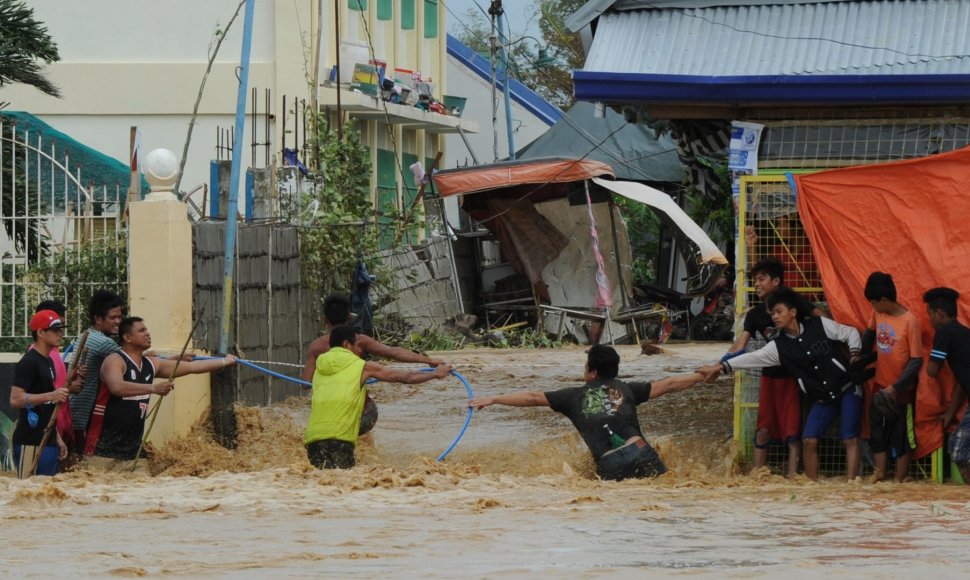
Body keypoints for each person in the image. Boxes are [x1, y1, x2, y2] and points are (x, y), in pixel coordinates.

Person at [469, 345, 707, 481]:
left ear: (592, 372)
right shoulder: (626, 388)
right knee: (664, 491)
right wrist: (705, 374)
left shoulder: (572, 396)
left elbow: (532, 397)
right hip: (639, 450)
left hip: (610, 462)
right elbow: (669, 385)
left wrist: (494, 398)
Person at [699, 287, 864, 481]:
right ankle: (812, 488)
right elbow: (751, 358)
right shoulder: (778, 347)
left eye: (779, 312)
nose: (775, 317)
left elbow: (850, 332)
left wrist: (854, 354)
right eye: (772, 314)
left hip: (847, 388)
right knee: (809, 440)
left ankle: (853, 486)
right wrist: (719, 368)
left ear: (793, 312)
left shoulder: (820, 325)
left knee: (849, 438)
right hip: (823, 398)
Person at [82, 316, 237, 473]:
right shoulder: (114, 360)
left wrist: (225, 361)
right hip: (101, 452)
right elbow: (117, 387)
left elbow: (192, 367)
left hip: (134, 455)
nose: (148, 333)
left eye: (147, 330)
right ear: (127, 337)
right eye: (141, 331)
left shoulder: (151, 364)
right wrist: (153, 389)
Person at [304, 325, 453, 469]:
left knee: (323, 486)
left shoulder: (318, 368)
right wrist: (435, 374)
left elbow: (306, 384)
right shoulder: (362, 366)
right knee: (345, 490)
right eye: (358, 346)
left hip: (312, 441)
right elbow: (406, 377)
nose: (360, 350)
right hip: (339, 440)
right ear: (347, 345)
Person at [724, 259, 820, 477]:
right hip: (768, 378)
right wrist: (720, 364)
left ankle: (793, 477)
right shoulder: (755, 314)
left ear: (776, 281)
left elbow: (820, 319)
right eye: (754, 280)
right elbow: (741, 343)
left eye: (761, 279)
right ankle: (758, 476)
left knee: (792, 432)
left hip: (794, 378)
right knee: (762, 431)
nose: (756, 284)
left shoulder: (794, 302)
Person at [301, 293, 446, 434]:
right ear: (349, 317)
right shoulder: (360, 341)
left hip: (327, 417)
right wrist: (429, 361)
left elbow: (306, 383)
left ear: (324, 319)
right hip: (362, 413)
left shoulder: (316, 347)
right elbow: (394, 353)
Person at [862, 272, 923, 483]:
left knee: (901, 435)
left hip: (901, 390)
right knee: (877, 430)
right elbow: (869, 334)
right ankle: (879, 475)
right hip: (880, 383)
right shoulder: (878, 313)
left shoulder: (910, 321)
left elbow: (916, 360)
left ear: (884, 300)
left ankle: (899, 480)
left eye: (873, 302)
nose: (872, 306)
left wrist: (896, 387)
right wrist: (859, 356)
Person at [9, 310, 70, 478]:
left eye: (61, 329)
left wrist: (57, 437)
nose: (60, 333)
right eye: (55, 330)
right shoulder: (29, 362)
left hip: (48, 439)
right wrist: (51, 395)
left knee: (46, 495)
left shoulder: (48, 360)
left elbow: (48, 408)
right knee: (28, 493)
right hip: (29, 441)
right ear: (41, 333)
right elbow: (15, 399)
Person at [923, 287, 970, 484]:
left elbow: (932, 371)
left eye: (930, 315)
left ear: (939, 313)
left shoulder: (944, 332)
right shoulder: (964, 332)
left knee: (959, 452)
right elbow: (962, 382)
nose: (930, 321)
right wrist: (951, 413)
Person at [69, 290, 123, 454]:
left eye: (120, 317)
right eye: (113, 318)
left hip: (76, 410)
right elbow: (133, 358)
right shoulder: (100, 342)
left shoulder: (89, 335)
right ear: (98, 318)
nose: (118, 322)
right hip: (81, 413)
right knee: (80, 459)